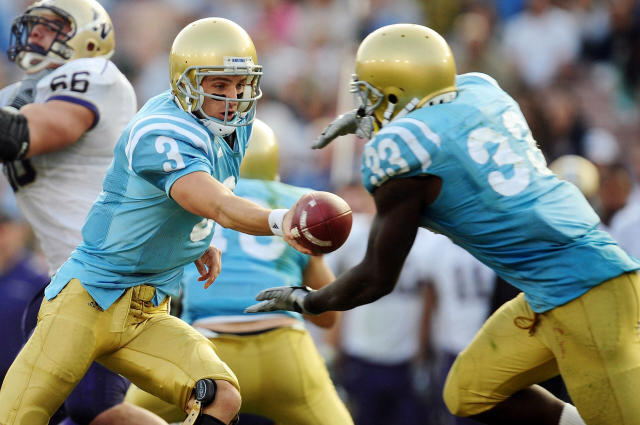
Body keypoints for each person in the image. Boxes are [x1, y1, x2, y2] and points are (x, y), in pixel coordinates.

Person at [246, 24, 640, 425]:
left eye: (370, 96)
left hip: (586, 290)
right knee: (469, 393)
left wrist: (307, 301)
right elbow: (438, 120)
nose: (365, 106)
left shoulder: (401, 153)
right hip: (554, 288)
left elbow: (376, 278)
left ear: (396, 95)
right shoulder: (481, 90)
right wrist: (376, 115)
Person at [0, 16, 308, 425]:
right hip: (89, 300)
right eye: (218, 86)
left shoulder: (232, 123)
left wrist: (195, 241)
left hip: (148, 311)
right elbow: (214, 201)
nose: (233, 99)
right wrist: (284, 220)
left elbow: (195, 198)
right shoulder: (160, 129)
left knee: (221, 396)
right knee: (19, 415)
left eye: (239, 85)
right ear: (185, 83)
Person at [0, 1, 167, 424]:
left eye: (51, 27)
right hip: (72, 277)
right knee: (80, 410)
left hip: (111, 276)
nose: (36, 36)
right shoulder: (19, 93)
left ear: (90, 34)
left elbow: (34, 131)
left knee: (97, 413)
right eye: (33, 28)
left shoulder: (96, 76)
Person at [124, 119, 354, 425]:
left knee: (121, 415)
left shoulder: (188, 200)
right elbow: (327, 317)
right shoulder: (296, 202)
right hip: (284, 354)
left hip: (207, 353)